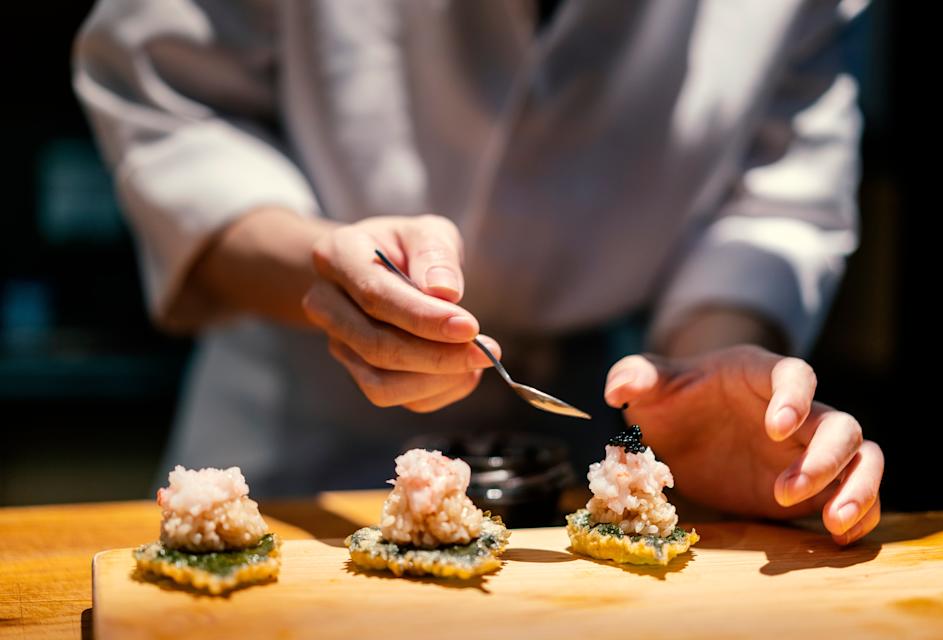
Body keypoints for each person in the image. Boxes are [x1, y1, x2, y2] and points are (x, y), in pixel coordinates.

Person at [73, 0, 883, 545]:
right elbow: (167, 106)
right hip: (297, 446)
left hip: (583, 444)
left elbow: (775, 200)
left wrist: (705, 382)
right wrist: (321, 269)